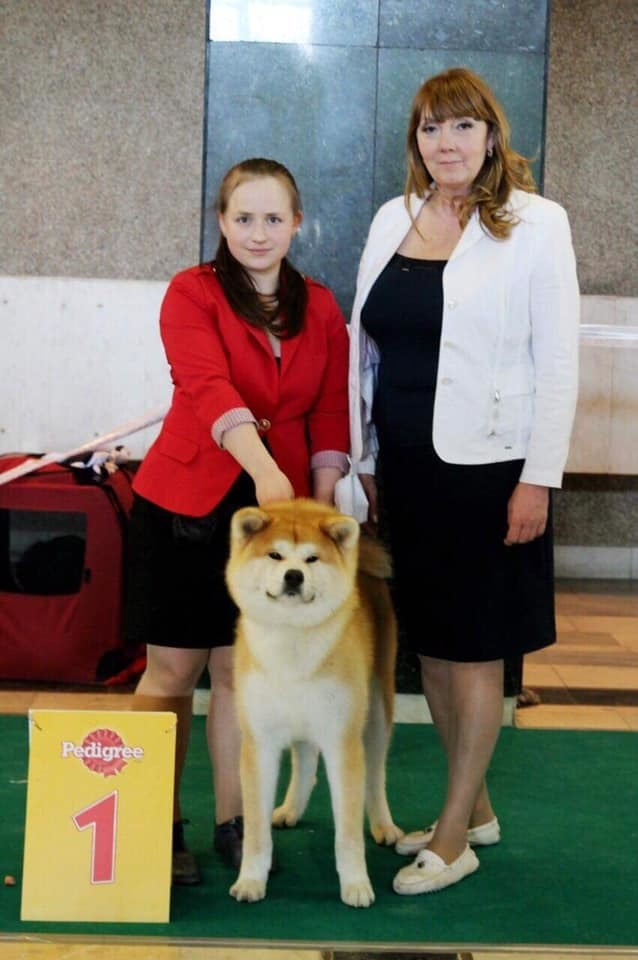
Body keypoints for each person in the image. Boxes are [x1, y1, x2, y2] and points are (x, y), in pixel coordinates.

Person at [343, 67, 579, 895]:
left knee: (476, 653)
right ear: (416, 141)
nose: (446, 142)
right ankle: (472, 809)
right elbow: (365, 349)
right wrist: (366, 459)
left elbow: (558, 362)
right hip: (405, 466)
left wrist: (538, 478)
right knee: (436, 650)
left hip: (491, 469)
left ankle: (452, 839)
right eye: (430, 128)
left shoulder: (538, 224)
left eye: (461, 126)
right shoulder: (392, 217)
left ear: (490, 134)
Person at [126, 157, 350, 884]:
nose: (259, 232)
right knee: (172, 671)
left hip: (280, 517)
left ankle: (235, 824)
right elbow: (207, 386)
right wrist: (264, 470)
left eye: (273, 218)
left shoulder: (322, 306)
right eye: (244, 218)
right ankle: (155, 826)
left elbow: (329, 409)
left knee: (237, 673)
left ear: (297, 223)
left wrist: (321, 505)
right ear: (221, 222)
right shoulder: (190, 293)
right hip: (187, 505)